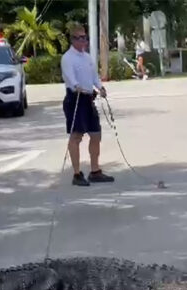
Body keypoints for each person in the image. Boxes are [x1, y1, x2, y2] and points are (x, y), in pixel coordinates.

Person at [60, 24, 114, 186]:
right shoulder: (67, 58)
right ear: (73, 39)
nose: (84, 41)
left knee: (96, 134)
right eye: (80, 38)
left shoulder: (87, 57)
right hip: (75, 99)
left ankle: (95, 171)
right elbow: (70, 78)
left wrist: (100, 88)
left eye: (85, 37)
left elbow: (94, 77)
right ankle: (77, 174)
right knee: (76, 136)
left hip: (88, 99)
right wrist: (78, 87)